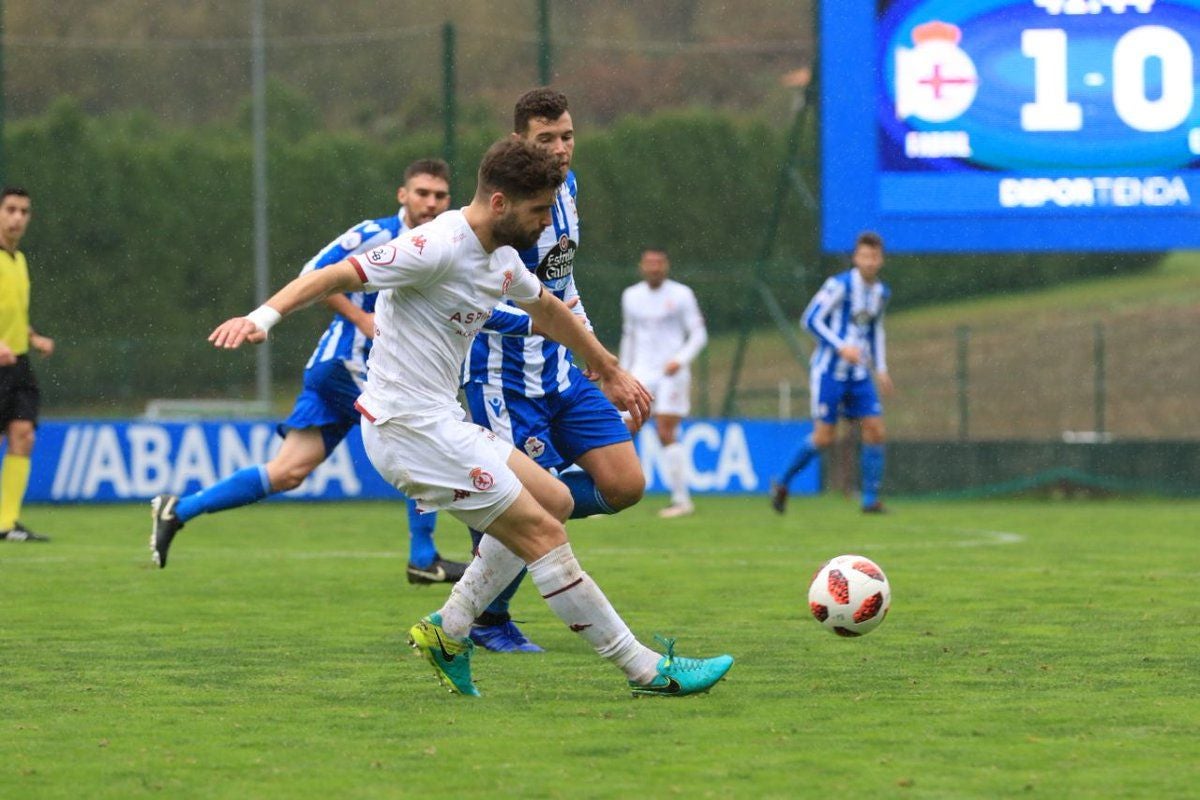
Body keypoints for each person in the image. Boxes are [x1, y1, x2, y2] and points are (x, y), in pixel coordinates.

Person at [208, 138, 734, 698]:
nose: (543, 225)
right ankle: (647, 669)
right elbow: (336, 275)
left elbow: (549, 310)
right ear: (502, 203)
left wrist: (605, 367)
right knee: (545, 532)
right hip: (405, 429)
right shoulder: (434, 245)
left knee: (554, 499)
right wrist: (263, 316)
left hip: (440, 421)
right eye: (538, 212)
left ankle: (448, 629)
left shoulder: (502, 260)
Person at [151, 160, 467, 583]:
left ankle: (177, 510)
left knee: (287, 473)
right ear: (402, 195)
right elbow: (313, 273)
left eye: (439, 196)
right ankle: (423, 558)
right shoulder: (375, 233)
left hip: (334, 370)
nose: (430, 202)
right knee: (419, 438)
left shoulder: (444, 241)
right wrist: (360, 319)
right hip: (349, 362)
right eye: (422, 193)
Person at [459, 88, 647, 652]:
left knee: (625, 484)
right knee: (532, 504)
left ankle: (493, 505)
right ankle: (486, 619)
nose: (562, 149)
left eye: (567, 136)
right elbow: (472, 305)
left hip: (561, 371)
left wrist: (593, 355)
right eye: (547, 140)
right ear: (520, 142)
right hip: (503, 380)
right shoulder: (495, 212)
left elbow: (562, 287)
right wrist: (545, 328)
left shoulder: (568, 192)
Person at [770, 230, 894, 514]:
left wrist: (882, 367)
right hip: (829, 371)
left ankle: (870, 500)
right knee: (825, 437)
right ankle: (783, 483)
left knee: (875, 430)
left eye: (874, 256)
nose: (870, 261)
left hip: (859, 374)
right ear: (855, 258)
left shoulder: (880, 293)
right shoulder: (838, 285)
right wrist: (840, 347)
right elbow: (810, 319)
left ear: (881, 260)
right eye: (864, 255)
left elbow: (876, 330)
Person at [619, 248, 708, 518]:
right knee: (622, 430)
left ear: (666, 266)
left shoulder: (681, 294)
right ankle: (608, 495)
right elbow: (629, 335)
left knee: (665, 431)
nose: (654, 268)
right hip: (641, 372)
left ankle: (681, 500)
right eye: (649, 263)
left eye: (659, 263)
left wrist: (680, 360)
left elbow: (698, 333)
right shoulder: (631, 296)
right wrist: (622, 371)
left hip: (671, 371)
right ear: (642, 266)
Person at [0, 187, 54, 542]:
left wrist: (32, 336)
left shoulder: (18, 260)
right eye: (10, 209)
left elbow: (12, 312)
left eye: (24, 211)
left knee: (23, 435)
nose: (18, 217)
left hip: (16, 363)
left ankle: (5, 523)